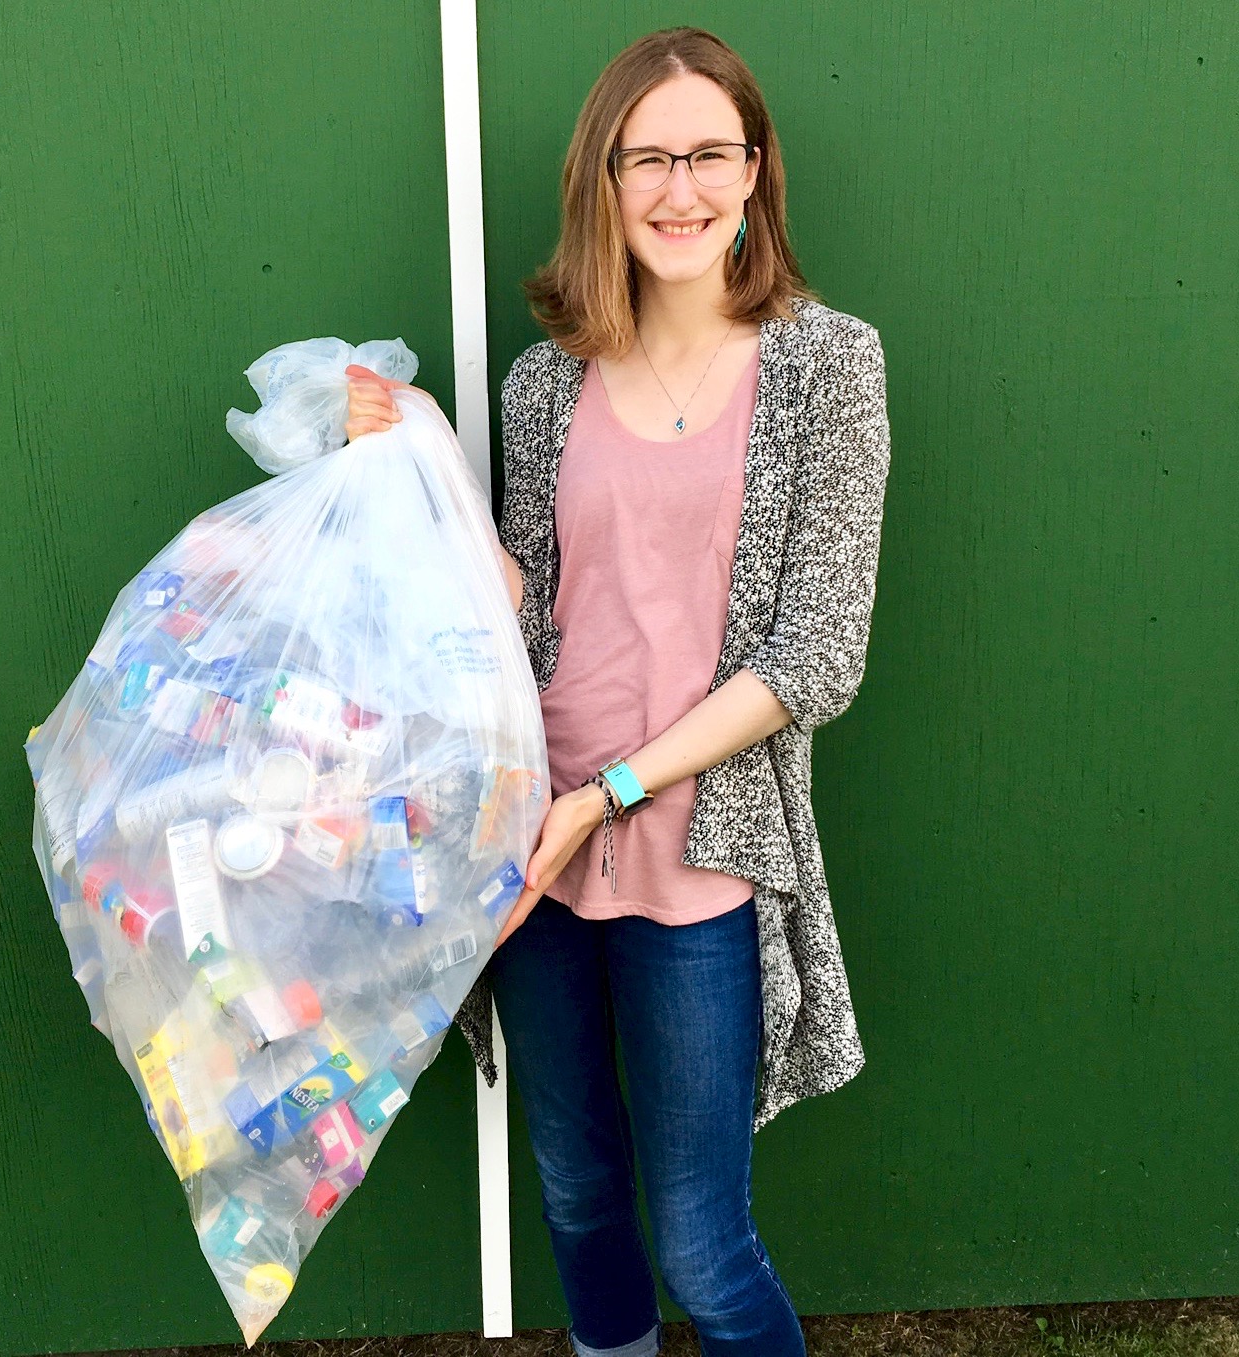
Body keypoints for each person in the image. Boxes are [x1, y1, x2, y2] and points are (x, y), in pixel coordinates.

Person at [346, 26, 892, 1357]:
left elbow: (816, 654)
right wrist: (414, 454)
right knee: (577, 1193)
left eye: (709, 153)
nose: (678, 188)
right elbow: (519, 604)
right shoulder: (547, 383)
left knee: (704, 1246)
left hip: (686, 845)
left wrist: (610, 794)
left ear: (755, 172)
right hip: (531, 839)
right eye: (644, 158)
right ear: (602, 181)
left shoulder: (827, 366)